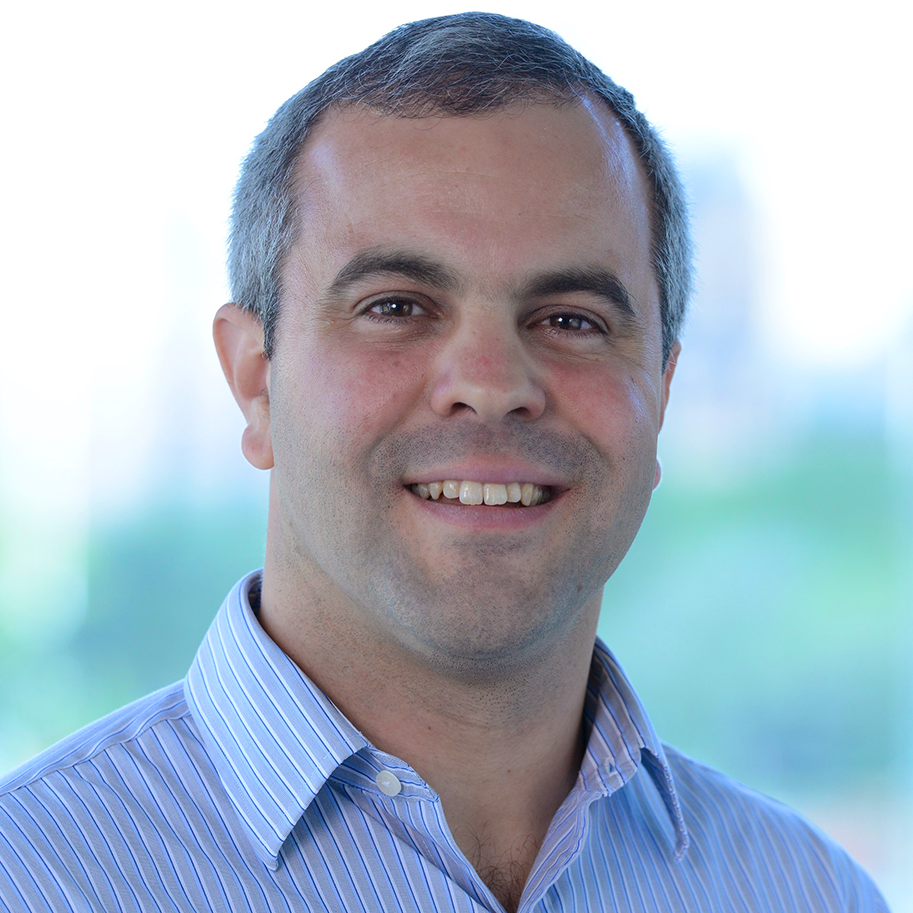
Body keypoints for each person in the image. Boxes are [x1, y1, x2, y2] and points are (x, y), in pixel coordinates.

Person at [0, 12, 890, 913]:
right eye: (396, 305)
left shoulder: (810, 891)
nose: (492, 384)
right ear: (255, 382)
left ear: (659, 392)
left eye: (572, 318)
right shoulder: (30, 880)